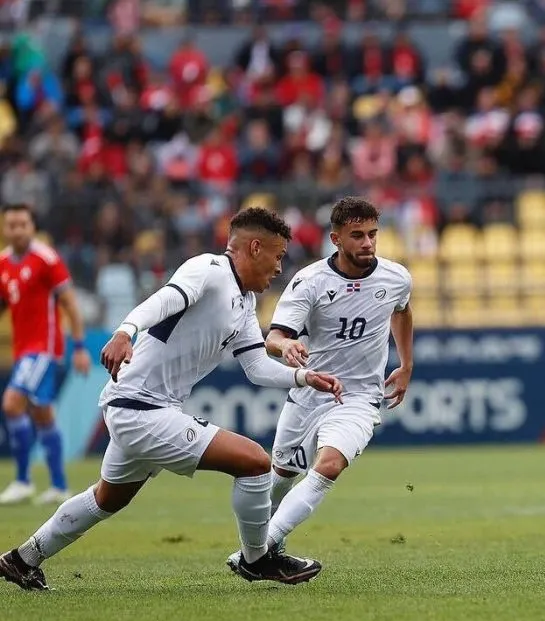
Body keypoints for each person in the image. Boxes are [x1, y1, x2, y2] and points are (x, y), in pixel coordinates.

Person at [0, 207, 344, 591]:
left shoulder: (245, 301)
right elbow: (163, 300)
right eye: (278, 256)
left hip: (145, 408)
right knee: (255, 463)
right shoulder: (209, 270)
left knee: (106, 498)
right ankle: (257, 558)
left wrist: (302, 377)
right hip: (140, 407)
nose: (280, 268)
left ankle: (22, 558)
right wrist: (125, 331)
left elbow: (256, 367)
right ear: (255, 246)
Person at [225, 197, 413, 571]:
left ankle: (255, 554)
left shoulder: (396, 278)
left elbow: (403, 311)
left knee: (327, 466)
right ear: (336, 239)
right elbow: (274, 337)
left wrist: (406, 362)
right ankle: (265, 551)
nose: (368, 243)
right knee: (279, 478)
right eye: (357, 235)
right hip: (309, 395)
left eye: (373, 234)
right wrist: (287, 344)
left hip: (358, 397)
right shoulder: (309, 281)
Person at [0, 204, 91, 506]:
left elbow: (70, 304)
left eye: (22, 224)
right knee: (42, 413)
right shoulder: (3, 263)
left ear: (32, 227)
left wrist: (79, 348)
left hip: (44, 347)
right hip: (22, 349)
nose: (16, 230)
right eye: (11, 224)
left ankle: (23, 480)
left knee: (12, 403)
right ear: (4, 228)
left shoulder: (47, 259)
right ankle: (59, 486)